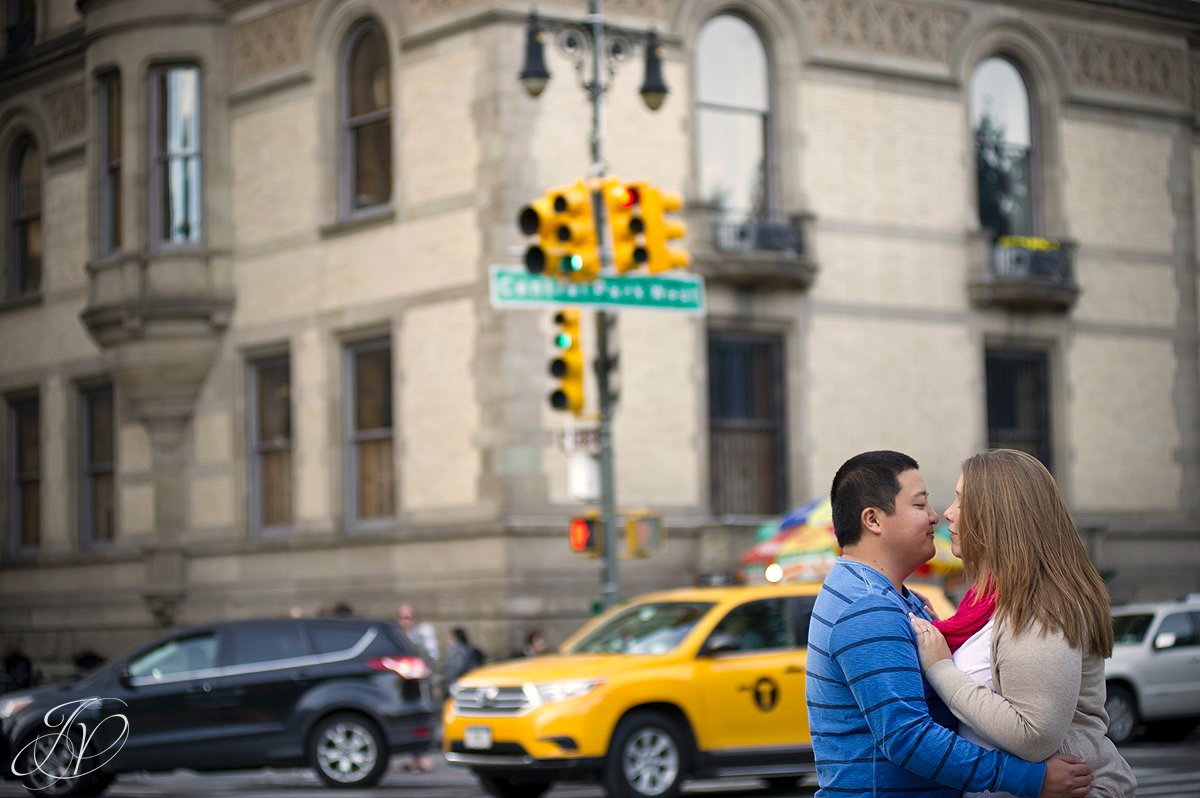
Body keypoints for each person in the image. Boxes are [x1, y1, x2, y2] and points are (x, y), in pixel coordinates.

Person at [806, 450, 1092, 798]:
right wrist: (1027, 778)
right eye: (919, 504)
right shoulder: (869, 608)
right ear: (874, 520)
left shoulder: (891, 599)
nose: (936, 516)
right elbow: (907, 737)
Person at [908, 449, 1136, 797]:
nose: (948, 515)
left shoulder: (1043, 606)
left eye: (961, 501)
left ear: (997, 515)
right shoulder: (991, 603)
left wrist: (942, 669)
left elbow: (1033, 735)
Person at [396, 603, 439, 773]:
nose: (407, 621)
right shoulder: (397, 637)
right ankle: (415, 758)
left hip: (421, 685)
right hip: (403, 686)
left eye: (410, 617)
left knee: (421, 720)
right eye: (404, 618)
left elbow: (430, 660)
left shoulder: (421, 636)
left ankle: (422, 756)